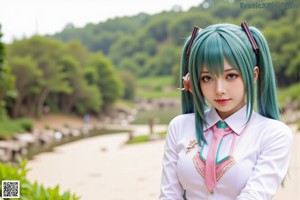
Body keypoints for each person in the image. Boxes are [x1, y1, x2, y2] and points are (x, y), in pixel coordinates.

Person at [159, 22, 293, 200]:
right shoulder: (180, 126)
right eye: (207, 78)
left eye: (231, 76)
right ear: (192, 80)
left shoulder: (273, 133)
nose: (219, 89)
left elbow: (254, 196)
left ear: (253, 75)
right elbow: (168, 195)